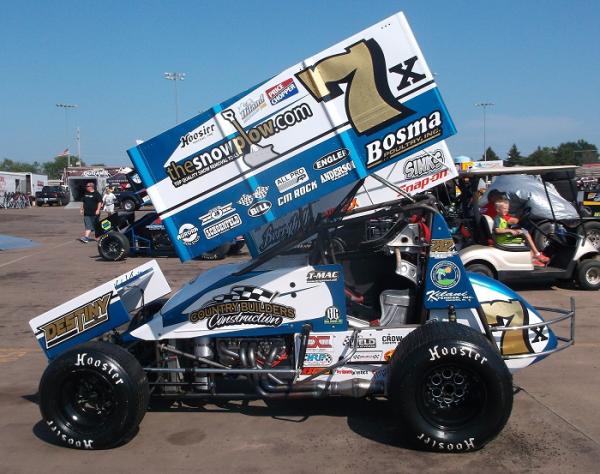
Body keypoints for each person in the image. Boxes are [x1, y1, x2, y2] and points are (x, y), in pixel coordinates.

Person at [493, 197, 549, 267]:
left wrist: (515, 230)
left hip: (504, 237)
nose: (507, 210)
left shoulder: (502, 218)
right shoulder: (497, 218)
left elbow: (506, 226)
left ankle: (534, 257)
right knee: (525, 236)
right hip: (502, 240)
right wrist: (510, 230)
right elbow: (497, 230)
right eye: (504, 209)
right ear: (498, 210)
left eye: (507, 208)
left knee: (524, 232)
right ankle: (536, 256)